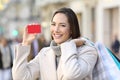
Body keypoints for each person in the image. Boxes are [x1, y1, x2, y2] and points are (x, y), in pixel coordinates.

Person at [12, 7, 98, 80]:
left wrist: (70, 45)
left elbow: (71, 74)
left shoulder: (88, 51)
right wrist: (25, 43)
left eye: (62, 25)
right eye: (53, 24)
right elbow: (20, 77)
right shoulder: (45, 53)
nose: (56, 30)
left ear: (72, 29)